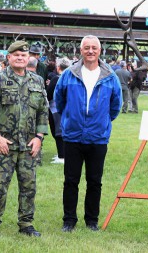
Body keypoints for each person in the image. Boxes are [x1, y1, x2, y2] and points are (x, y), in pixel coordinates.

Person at [0, 40, 49, 240]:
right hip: (4, 145)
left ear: (29, 58)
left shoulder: (36, 81)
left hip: (29, 145)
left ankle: (26, 223)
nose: (20, 58)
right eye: (16, 55)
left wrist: (39, 138)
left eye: (24, 55)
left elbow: (43, 112)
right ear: (8, 57)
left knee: (29, 186)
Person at [54, 35, 122, 232]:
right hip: (73, 136)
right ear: (81, 50)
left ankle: (92, 220)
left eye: (94, 48)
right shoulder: (69, 74)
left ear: (100, 51)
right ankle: (69, 220)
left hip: (98, 137)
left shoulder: (110, 76)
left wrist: (102, 121)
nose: (90, 51)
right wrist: (70, 117)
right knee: (71, 180)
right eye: (87, 48)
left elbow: (115, 105)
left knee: (94, 181)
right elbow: (60, 100)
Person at [47, 57, 71, 164]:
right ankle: (64, 154)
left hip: (56, 108)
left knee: (58, 132)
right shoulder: (72, 78)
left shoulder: (56, 79)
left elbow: (49, 94)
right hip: (70, 109)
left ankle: (62, 156)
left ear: (58, 67)